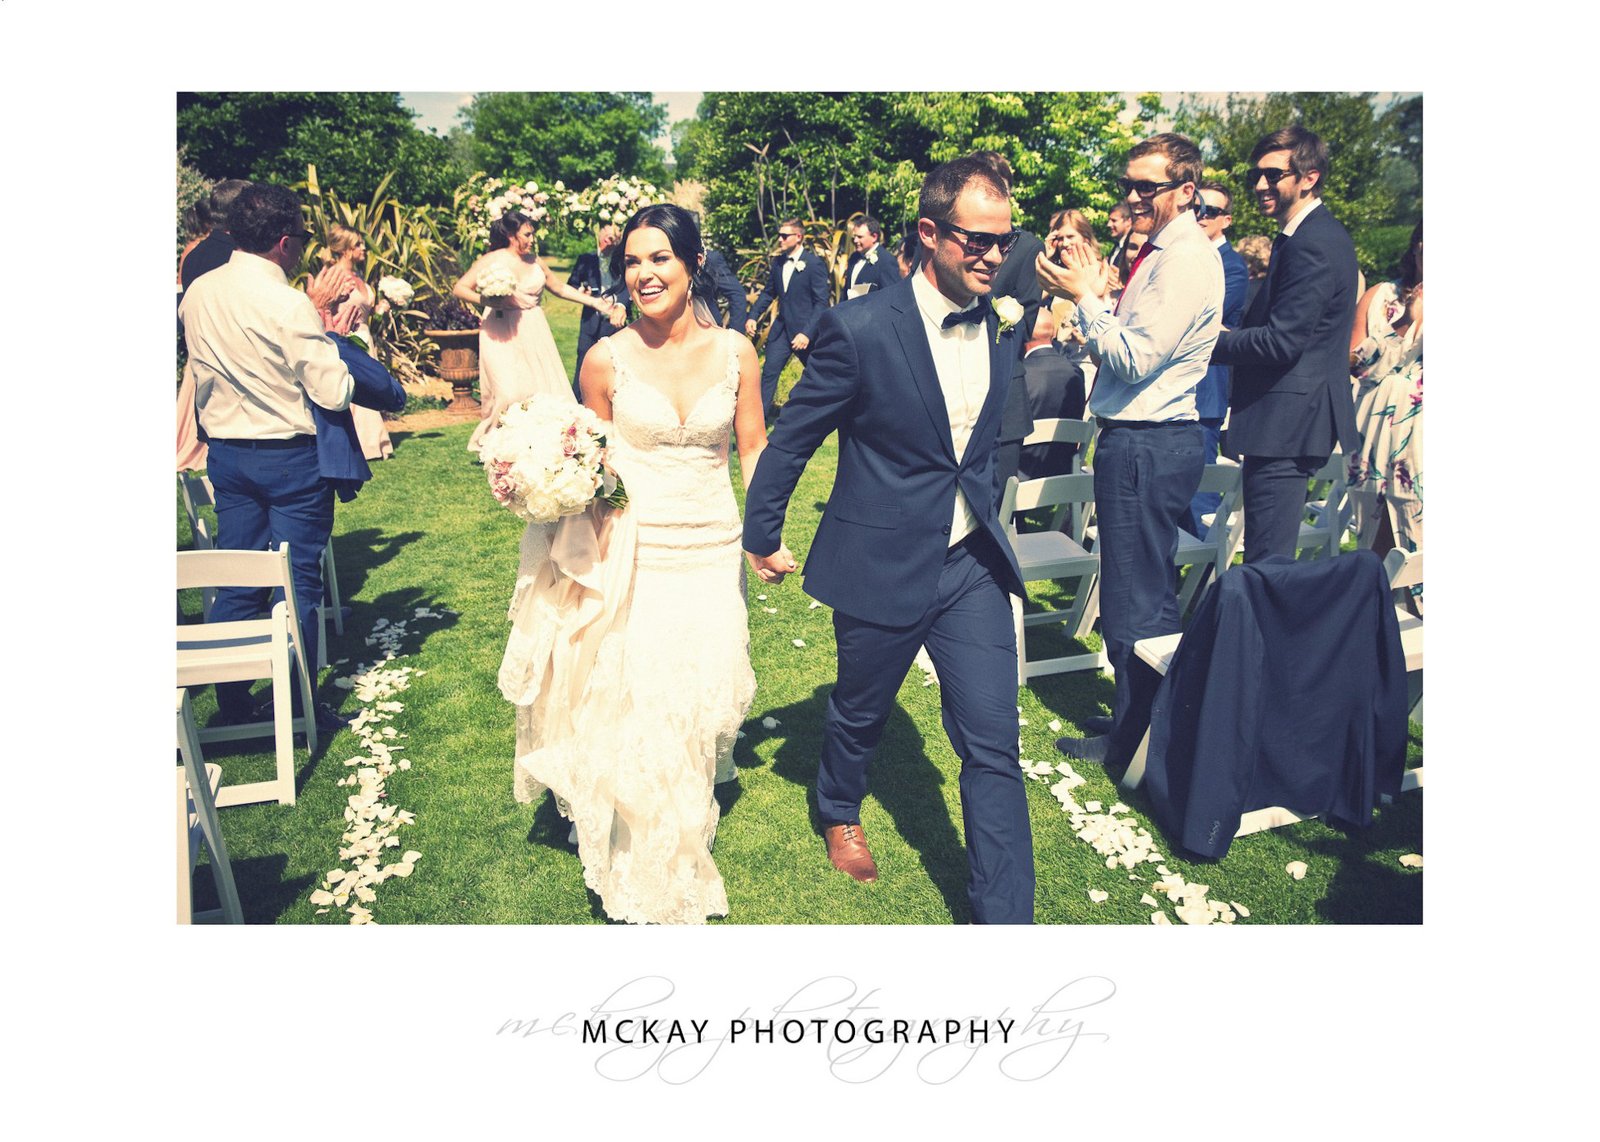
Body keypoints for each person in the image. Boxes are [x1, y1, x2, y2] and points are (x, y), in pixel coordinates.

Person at [743, 155, 1035, 924]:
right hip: (880, 560)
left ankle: (1006, 922)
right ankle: (838, 802)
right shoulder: (860, 329)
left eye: (1003, 243)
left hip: (970, 562)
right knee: (861, 710)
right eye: (977, 242)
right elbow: (793, 439)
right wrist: (762, 534)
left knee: (992, 745)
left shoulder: (1003, 319)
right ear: (930, 232)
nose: (993, 258)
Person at [505, 204, 767, 925]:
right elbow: (595, 461)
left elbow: (752, 447)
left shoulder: (739, 353)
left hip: (713, 544)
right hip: (637, 547)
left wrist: (762, 530)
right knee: (647, 695)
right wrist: (547, 482)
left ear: (691, 265)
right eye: (632, 262)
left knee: (705, 691)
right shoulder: (604, 358)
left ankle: (683, 803)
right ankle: (652, 854)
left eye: (659, 259)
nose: (644, 274)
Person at [1036, 132, 1221, 771]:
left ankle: (1135, 736)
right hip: (1140, 439)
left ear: (1186, 191)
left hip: (1149, 443)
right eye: (1129, 184)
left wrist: (1085, 297)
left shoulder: (1186, 259)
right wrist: (1095, 304)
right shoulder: (1159, 252)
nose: (1134, 197)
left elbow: (1134, 358)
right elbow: (1122, 348)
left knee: (1134, 596)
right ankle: (1134, 715)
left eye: (1150, 186)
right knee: (1134, 587)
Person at [180, 183, 382, 732]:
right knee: (298, 578)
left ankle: (233, 699)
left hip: (224, 455)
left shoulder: (196, 291)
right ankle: (296, 702)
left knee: (239, 572)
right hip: (289, 458)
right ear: (285, 243)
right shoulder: (286, 301)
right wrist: (335, 344)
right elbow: (331, 391)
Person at [1211, 126, 1360, 562]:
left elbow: (1283, 341)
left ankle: (1263, 631)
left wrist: (1213, 342)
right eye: (1257, 175)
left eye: (1273, 175)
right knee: (1268, 554)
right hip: (1287, 420)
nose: (1260, 185)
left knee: (1268, 559)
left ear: (1308, 177)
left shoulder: (1313, 242)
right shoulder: (1307, 235)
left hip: (1287, 424)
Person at [454, 211, 620, 455]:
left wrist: (594, 302)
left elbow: (560, 287)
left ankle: (535, 444)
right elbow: (460, 288)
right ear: (512, 235)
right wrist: (488, 299)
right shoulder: (492, 260)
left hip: (533, 327)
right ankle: (493, 445)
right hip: (500, 330)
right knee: (507, 391)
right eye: (527, 234)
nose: (532, 239)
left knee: (538, 388)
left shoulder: (535, 260)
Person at [1347, 220, 1423, 558]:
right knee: (1374, 538)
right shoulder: (1380, 295)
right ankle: (1377, 608)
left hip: (1421, 432)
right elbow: (1354, 363)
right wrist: (1406, 321)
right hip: (1373, 426)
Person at [1187, 182, 1249, 535]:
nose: (1201, 217)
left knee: (1201, 494)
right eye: (1197, 209)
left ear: (1226, 220)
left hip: (1204, 393)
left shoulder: (1233, 268)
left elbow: (1200, 320)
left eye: (1210, 211)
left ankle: (1206, 577)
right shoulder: (1186, 256)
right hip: (1176, 393)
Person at [320, 224, 393, 462]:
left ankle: (374, 442)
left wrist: (380, 310)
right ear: (347, 249)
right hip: (345, 336)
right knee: (354, 388)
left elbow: (363, 311)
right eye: (359, 244)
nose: (364, 249)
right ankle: (363, 445)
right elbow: (322, 307)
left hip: (364, 335)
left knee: (369, 386)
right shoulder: (333, 276)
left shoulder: (358, 277)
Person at [744, 217, 830, 420]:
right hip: (782, 331)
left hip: (806, 333)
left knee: (820, 376)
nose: (780, 240)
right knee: (768, 375)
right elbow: (768, 293)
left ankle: (827, 417)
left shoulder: (814, 264)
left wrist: (807, 333)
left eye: (784, 236)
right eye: (779, 236)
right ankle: (759, 424)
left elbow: (821, 303)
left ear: (798, 237)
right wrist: (753, 316)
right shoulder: (778, 263)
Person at [1017, 305, 1086, 481]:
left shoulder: (1020, 375)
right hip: (1064, 471)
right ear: (1054, 332)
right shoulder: (1076, 373)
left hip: (1023, 473)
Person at [566, 222, 630, 391]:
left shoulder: (621, 261)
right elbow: (571, 285)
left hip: (614, 320)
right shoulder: (586, 259)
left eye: (616, 239)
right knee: (584, 359)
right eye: (609, 239)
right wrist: (582, 292)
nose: (612, 243)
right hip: (591, 319)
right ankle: (579, 400)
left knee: (614, 362)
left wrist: (619, 305)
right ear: (601, 238)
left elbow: (627, 285)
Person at [844, 215, 903, 297]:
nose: (855, 240)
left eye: (860, 237)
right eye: (854, 237)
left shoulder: (886, 261)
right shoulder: (854, 257)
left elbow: (891, 295)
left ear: (874, 237)